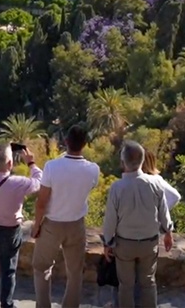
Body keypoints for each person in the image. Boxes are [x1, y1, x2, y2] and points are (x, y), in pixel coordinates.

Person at [32, 124, 100, 308]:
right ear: (84, 144)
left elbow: (41, 202)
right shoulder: (93, 169)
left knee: (41, 267)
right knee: (75, 271)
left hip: (52, 225)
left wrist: (36, 225)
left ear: (66, 141)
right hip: (76, 225)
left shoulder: (52, 167)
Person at [102, 141, 173, 308]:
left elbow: (110, 219)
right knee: (148, 283)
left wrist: (107, 242)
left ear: (122, 162)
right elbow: (163, 212)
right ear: (142, 160)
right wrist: (168, 232)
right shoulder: (155, 184)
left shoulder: (117, 188)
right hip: (149, 243)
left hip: (125, 244)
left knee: (125, 286)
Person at [0, 143, 42, 308]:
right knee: (8, 271)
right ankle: (7, 304)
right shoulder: (19, 183)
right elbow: (40, 180)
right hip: (10, 231)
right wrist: (31, 162)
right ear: (11, 164)